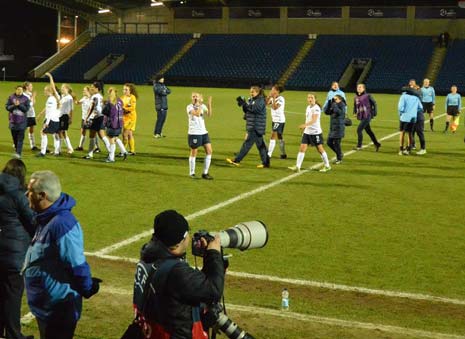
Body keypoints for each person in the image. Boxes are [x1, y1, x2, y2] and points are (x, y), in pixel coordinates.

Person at [23, 170, 100, 339]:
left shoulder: (62, 224)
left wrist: (87, 287)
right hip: (46, 304)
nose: (26, 194)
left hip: (58, 306)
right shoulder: (46, 218)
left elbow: (76, 264)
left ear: (42, 195)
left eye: (30, 191)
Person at [133, 209, 224, 338]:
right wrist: (214, 254)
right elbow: (213, 290)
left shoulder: (148, 257)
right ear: (179, 242)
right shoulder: (175, 272)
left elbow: (183, 290)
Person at [0, 159, 34, 339]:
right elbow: (33, 220)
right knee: (13, 295)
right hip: (14, 254)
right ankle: (13, 335)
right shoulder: (19, 195)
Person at [226, 86, 269, 168]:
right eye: (250, 92)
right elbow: (248, 110)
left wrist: (245, 104)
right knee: (261, 146)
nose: (251, 93)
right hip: (253, 125)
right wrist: (243, 105)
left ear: (257, 92)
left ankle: (236, 160)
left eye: (253, 92)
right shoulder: (252, 100)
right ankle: (266, 163)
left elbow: (255, 110)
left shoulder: (260, 100)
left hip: (256, 126)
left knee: (247, 144)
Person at [288, 93, 331, 172]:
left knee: (320, 149)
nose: (310, 99)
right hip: (307, 132)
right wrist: (305, 129)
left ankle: (327, 165)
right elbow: (307, 119)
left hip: (315, 132)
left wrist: (304, 125)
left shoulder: (316, 108)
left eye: (311, 97)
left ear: (315, 99)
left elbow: (314, 120)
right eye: (308, 97)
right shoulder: (308, 107)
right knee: (302, 148)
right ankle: (298, 166)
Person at [187, 92, 213, 179]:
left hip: (203, 132)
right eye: (193, 96)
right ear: (191, 98)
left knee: (209, 151)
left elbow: (209, 114)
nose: (195, 97)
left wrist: (209, 104)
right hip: (194, 133)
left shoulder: (202, 106)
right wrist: (200, 105)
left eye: (196, 96)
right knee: (194, 152)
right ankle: (192, 173)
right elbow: (197, 113)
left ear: (199, 97)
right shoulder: (189, 107)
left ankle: (205, 173)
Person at [83, 81, 111, 159]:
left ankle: (90, 154)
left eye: (92, 87)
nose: (91, 88)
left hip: (96, 117)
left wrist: (87, 117)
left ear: (97, 88)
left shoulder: (94, 97)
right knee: (101, 135)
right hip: (101, 116)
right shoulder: (100, 96)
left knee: (93, 135)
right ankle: (110, 152)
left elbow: (92, 107)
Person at [36, 73, 61, 157]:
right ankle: (57, 151)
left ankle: (43, 152)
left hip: (51, 120)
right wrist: (40, 114)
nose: (44, 92)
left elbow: (50, 112)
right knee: (56, 134)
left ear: (49, 91)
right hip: (57, 119)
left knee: (43, 132)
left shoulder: (51, 99)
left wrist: (47, 123)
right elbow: (53, 87)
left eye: (45, 90)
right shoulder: (57, 97)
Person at [102, 87, 127, 163]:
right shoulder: (120, 101)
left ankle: (111, 158)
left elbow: (104, 112)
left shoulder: (110, 103)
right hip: (119, 123)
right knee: (115, 137)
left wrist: (104, 104)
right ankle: (124, 151)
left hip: (112, 123)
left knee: (111, 140)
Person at [353, 83, 381, 151]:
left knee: (359, 130)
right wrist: (354, 112)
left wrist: (374, 112)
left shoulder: (368, 96)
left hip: (367, 115)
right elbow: (355, 105)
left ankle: (359, 146)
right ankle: (377, 144)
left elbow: (374, 103)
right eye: (358, 87)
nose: (358, 88)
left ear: (363, 89)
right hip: (362, 116)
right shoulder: (356, 97)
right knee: (369, 131)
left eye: (360, 87)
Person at [6, 85, 30, 159]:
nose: (20, 91)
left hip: (22, 123)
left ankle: (18, 154)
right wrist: (14, 105)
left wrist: (19, 105)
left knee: (20, 139)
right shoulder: (11, 97)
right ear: (16, 90)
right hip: (13, 122)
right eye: (18, 89)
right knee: (15, 139)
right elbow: (7, 107)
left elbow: (26, 109)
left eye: (21, 90)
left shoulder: (26, 99)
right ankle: (17, 150)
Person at [398, 88, 423, 155]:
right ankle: (408, 150)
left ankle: (401, 149)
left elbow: (400, 107)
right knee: (410, 133)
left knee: (402, 133)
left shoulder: (403, 96)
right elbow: (420, 108)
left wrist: (401, 113)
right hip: (413, 118)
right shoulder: (416, 98)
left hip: (404, 117)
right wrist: (413, 112)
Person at [324, 94, 346, 166]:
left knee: (337, 144)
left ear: (340, 99)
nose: (334, 100)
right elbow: (326, 112)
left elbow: (340, 113)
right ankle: (339, 154)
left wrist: (334, 105)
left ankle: (339, 158)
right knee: (329, 142)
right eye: (334, 99)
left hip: (339, 127)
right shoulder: (333, 104)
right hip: (333, 127)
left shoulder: (342, 105)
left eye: (336, 99)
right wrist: (329, 103)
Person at [267, 84, 287, 159]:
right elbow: (266, 104)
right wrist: (269, 97)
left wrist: (274, 98)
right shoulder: (272, 98)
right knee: (279, 136)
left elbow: (275, 107)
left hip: (279, 120)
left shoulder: (281, 99)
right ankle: (283, 154)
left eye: (273, 90)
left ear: (277, 91)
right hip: (275, 120)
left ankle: (269, 155)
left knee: (273, 135)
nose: (271, 91)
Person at [57, 82, 75, 154]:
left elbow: (71, 109)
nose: (62, 89)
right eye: (61, 88)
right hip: (59, 116)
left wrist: (70, 118)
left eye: (63, 88)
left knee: (60, 132)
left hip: (64, 116)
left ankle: (59, 149)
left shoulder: (69, 98)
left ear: (67, 89)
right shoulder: (63, 96)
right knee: (63, 132)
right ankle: (69, 148)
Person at [121, 83, 138, 155]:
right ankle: (132, 151)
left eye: (126, 89)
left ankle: (123, 151)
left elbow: (132, 108)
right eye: (123, 89)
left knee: (124, 134)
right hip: (124, 118)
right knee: (129, 134)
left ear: (130, 90)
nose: (124, 91)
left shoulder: (132, 97)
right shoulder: (122, 98)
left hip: (131, 118)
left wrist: (124, 108)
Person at [75, 86, 93, 151]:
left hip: (89, 118)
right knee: (83, 132)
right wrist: (74, 98)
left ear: (88, 91)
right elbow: (78, 103)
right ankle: (80, 146)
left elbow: (91, 108)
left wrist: (87, 117)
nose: (83, 91)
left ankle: (97, 147)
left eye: (84, 90)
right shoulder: (84, 98)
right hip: (83, 118)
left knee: (93, 133)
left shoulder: (91, 99)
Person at [23, 82, 38, 151]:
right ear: (26, 87)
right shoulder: (24, 95)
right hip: (26, 115)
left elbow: (33, 103)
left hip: (31, 114)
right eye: (30, 86)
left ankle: (33, 145)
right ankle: (16, 143)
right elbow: (30, 105)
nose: (32, 87)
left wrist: (33, 97)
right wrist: (34, 97)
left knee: (31, 130)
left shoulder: (30, 94)